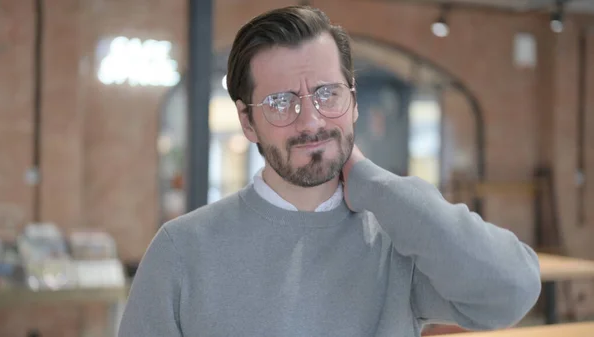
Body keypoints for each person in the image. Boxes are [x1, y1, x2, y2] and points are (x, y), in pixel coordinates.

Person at [118, 6, 541, 337]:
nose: (311, 121)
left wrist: (379, 187)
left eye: (327, 94)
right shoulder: (181, 251)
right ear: (248, 122)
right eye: (282, 102)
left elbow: (512, 293)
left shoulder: (397, 238)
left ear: (353, 101)